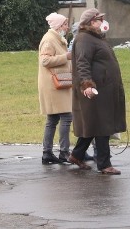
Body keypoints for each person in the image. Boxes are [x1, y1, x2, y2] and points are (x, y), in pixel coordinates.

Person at [67, 8, 126, 175]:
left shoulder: (96, 38)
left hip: (105, 89)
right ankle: (104, 164)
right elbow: (82, 64)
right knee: (102, 127)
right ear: (92, 22)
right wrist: (87, 85)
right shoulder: (84, 39)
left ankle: (76, 155)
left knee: (93, 124)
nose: (103, 22)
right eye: (100, 19)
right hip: (95, 90)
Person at [38, 12, 73, 164]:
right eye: (65, 24)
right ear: (58, 26)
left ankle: (47, 153)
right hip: (54, 84)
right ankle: (64, 152)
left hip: (56, 83)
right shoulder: (49, 40)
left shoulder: (56, 38)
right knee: (66, 116)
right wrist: (66, 57)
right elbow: (45, 61)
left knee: (52, 118)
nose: (67, 27)